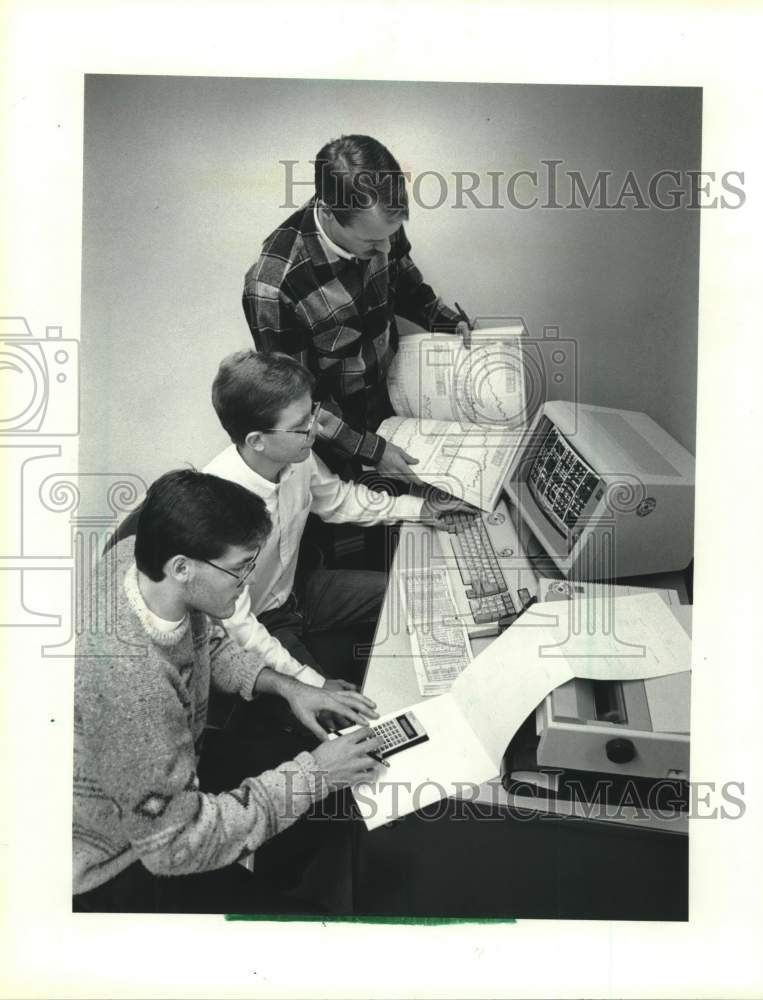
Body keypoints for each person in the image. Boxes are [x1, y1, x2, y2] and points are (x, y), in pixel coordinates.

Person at [73, 469, 383, 914]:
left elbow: (207, 643)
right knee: (299, 928)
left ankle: (275, 876)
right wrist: (316, 775)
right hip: (123, 858)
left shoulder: (137, 556)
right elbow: (173, 847)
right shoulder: (130, 684)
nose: (248, 584)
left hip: (172, 769)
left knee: (314, 768)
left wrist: (290, 688)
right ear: (182, 568)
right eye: (240, 570)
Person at [204, 349, 470, 688]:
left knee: (418, 597)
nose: (315, 430)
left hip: (299, 589)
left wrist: (420, 510)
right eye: (300, 426)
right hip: (258, 625)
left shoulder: (298, 456)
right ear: (256, 440)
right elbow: (238, 626)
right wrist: (312, 684)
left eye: (311, 414)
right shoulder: (217, 507)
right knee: (336, 711)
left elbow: (338, 499)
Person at [242, 133, 470, 483]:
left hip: (397, 405)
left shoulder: (380, 229)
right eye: (371, 242)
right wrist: (371, 450)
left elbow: (405, 281)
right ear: (331, 214)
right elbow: (299, 404)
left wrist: (446, 322)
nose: (384, 249)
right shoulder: (275, 287)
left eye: (390, 236)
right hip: (335, 444)